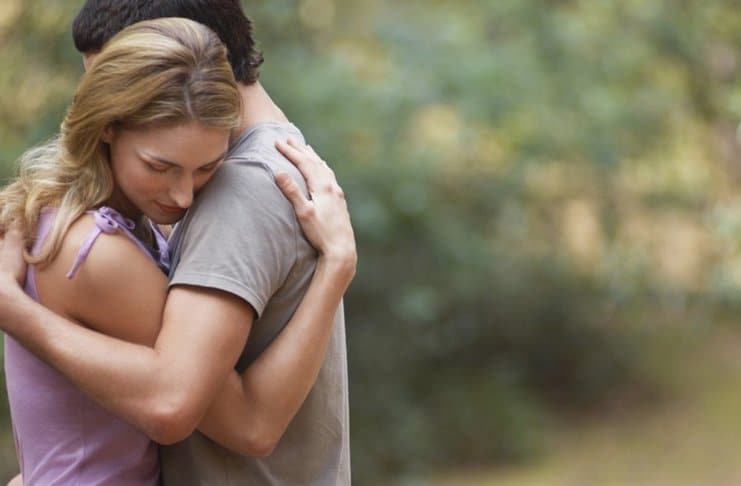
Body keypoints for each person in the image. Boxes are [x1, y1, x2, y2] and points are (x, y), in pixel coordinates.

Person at [0, 3, 354, 486]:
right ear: (107, 124)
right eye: (160, 166)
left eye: (205, 168)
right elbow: (199, 409)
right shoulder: (95, 246)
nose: (184, 196)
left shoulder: (228, 191)